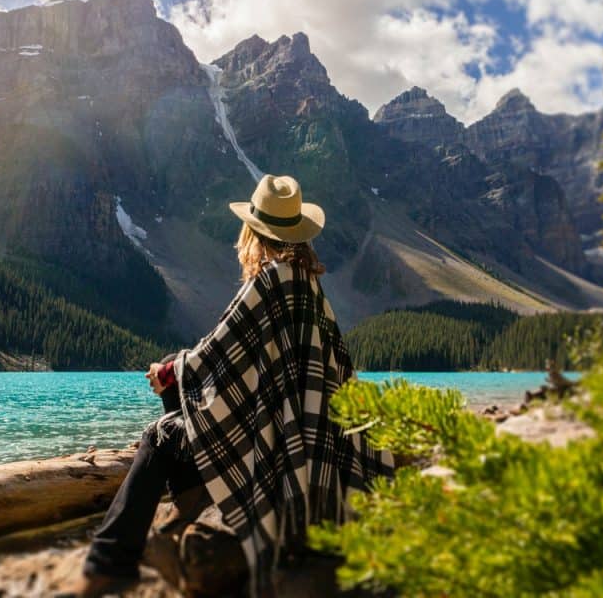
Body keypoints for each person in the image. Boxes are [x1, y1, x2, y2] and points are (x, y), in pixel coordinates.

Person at [70, 174, 394, 597]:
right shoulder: (309, 285)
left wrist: (166, 373)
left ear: (253, 231)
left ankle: (109, 564)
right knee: (178, 373)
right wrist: (177, 368)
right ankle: (190, 499)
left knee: (158, 434)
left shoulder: (269, 281)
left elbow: (214, 352)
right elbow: (246, 358)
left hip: (273, 446)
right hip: (308, 445)